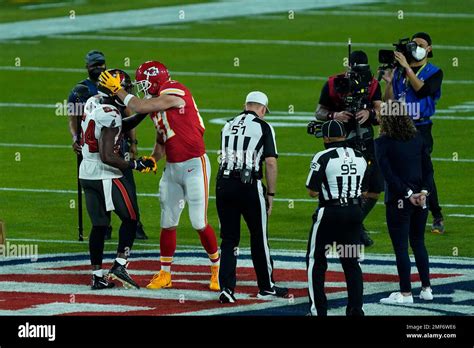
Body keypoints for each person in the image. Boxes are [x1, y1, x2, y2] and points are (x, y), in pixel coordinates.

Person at [99, 61, 220, 291]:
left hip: (195, 164)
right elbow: (163, 138)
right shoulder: (158, 104)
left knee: (198, 221)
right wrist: (154, 158)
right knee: (168, 221)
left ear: (156, 79)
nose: (143, 88)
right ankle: (165, 273)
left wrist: (118, 90)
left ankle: (216, 268)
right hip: (173, 167)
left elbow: (138, 106)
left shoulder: (175, 89)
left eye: (145, 83)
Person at [79, 69, 156, 290]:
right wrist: (134, 164)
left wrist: (143, 112)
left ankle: (97, 276)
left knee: (99, 225)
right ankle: (120, 265)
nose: (128, 91)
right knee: (131, 218)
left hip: (87, 171)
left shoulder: (93, 101)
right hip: (106, 173)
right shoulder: (111, 113)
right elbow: (108, 155)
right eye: (125, 86)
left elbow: (117, 128)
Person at [67, 50, 148, 240]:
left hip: (117, 146)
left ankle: (133, 225)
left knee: (127, 187)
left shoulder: (97, 94)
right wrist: (75, 139)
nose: (98, 67)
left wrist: (133, 143)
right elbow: (74, 119)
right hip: (100, 154)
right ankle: (109, 226)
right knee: (106, 189)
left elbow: (127, 116)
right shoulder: (80, 92)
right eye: (94, 64)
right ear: (87, 67)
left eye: (101, 64)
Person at [216, 91, 288, 303]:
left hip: (223, 183)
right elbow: (271, 162)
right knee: (259, 236)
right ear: (263, 109)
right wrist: (271, 193)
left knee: (229, 239)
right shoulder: (264, 126)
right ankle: (266, 286)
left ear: (245, 104)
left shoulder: (227, 124)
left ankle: (227, 289)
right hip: (248, 185)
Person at [316, 50, 383, 247]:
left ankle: (355, 224)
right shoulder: (333, 84)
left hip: (365, 139)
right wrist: (334, 115)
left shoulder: (373, 85)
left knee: (375, 187)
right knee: (343, 187)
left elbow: (381, 112)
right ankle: (347, 226)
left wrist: (369, 112)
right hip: (339, 140)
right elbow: (319, 112)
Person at [382, 32, 444, 234]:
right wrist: (390, 82)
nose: (416, 47)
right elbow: (389, 103)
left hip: (420, 127)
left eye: (421, 44)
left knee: (423, 171)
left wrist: (407, 68)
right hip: (399, 126)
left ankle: (436, 214)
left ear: (429, 49)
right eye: (413, 44)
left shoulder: (434, 72)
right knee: (394, 170)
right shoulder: (399, 72)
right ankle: (401, 210)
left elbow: (422, 91)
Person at [306, 120, 367, 316]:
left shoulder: (323, 156)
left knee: (316, 260)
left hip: (330, 214)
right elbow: (365, 189)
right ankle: (356, 310)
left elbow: (312, 192)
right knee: (351, 262)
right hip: (355, 213)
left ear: (326, 138)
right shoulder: (360, 156)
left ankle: (319, 311)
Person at [375, 110, 434, 304]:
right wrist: (423, 192)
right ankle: (426, 289)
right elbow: (428, 169)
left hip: (400, 200)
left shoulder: (383, 143)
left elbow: (389, 176)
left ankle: (406, 293)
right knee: (418, 242)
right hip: (421, 200)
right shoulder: (418, 138)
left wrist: (408, 194)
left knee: (401, 247)